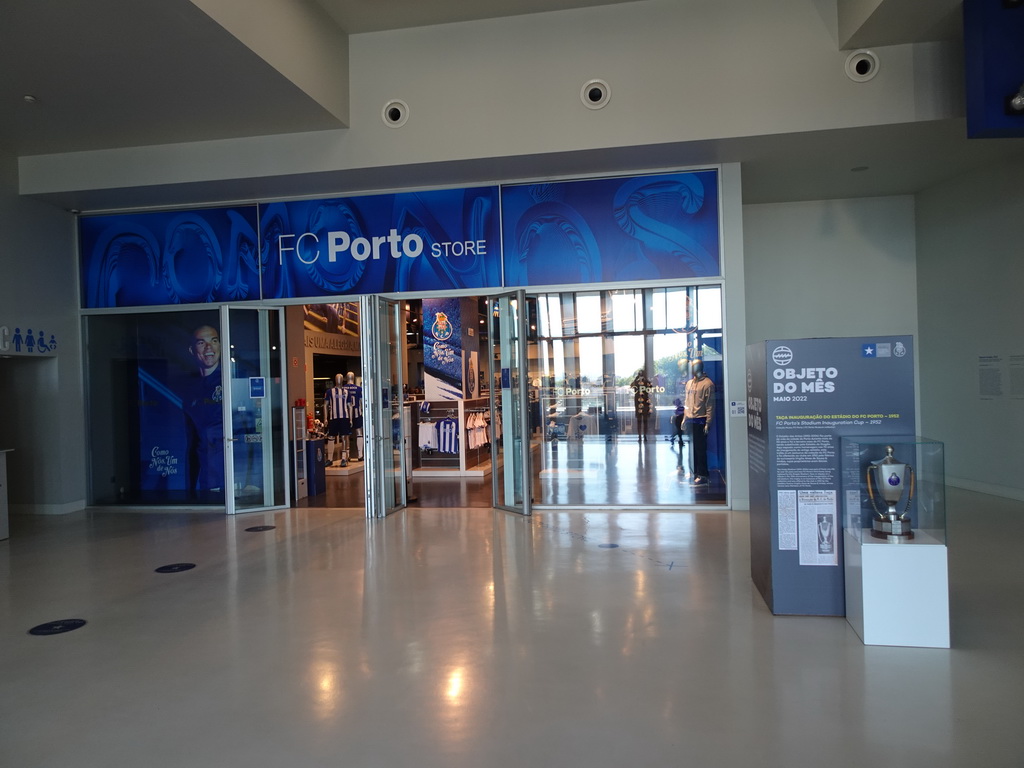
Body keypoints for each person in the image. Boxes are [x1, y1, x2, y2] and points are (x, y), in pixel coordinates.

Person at [183, 324, 224, 501]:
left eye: (213, 341)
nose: (209, 348)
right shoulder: (188, 388)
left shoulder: (231, 379)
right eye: (202, 343)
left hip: (226, 468)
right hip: (204, 471)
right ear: (192, 350)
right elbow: (192, 440)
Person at [682, 358, 714, 485]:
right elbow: (686, 402)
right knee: (693, 448)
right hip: (690, 419)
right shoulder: (689, 383)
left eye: (693, 366)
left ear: (698, 367)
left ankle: (703, 474)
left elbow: (710, 405)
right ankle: (695, 471)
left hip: (700, 420)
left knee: (701, 449)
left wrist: (708, 423)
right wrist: (684, 418)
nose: (692, 369)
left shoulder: (708, 384)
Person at [632, 369, 652, 442]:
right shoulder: (637, 382)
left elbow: (650, 387)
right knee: (640, 421)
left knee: (644, 421)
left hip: (645, 403)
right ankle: (640, 436)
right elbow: (632, 386)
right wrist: (636, 378)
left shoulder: (646, 382)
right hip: (639, 403)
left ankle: (644, 436)